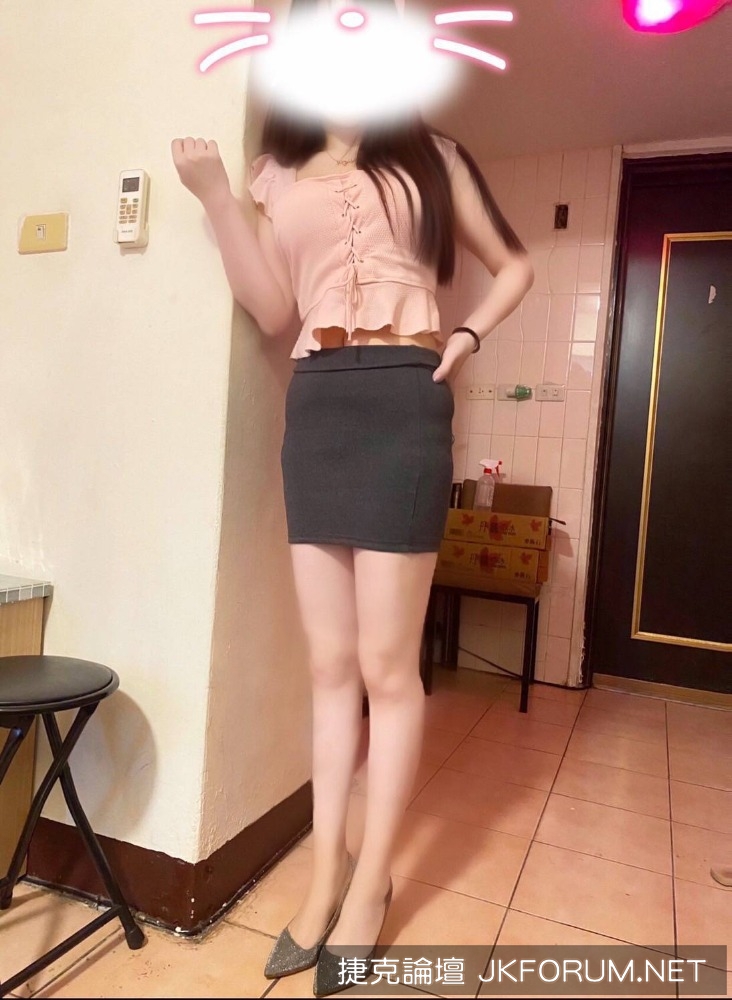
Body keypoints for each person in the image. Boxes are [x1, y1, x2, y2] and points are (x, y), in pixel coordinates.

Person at [172, 16, 533, 996]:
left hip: (407, 400)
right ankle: (324, 876)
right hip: (320, 404)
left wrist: (464, 336)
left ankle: (371, 883)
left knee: (385, 667)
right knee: (329, 667)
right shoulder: (276, 175)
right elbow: (272, 307)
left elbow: (516, 265)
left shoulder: (434, 157)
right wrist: (216, 197)